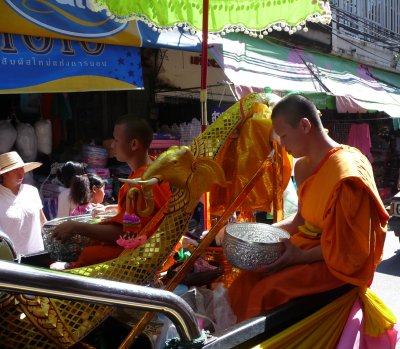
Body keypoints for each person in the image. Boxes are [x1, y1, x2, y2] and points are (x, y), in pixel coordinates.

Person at [228, 94, 389, 323]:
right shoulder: (303, 167)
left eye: (284, 136)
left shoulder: (348, 171)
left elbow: (350, 247)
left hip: (334, 263)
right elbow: (300, 222)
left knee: (266, 291)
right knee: (245, 280)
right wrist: (259, 236)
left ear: (305, 125)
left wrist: (299, 257)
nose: (282, 144)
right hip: (305, 248)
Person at [52, 116, 171, 268]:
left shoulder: (140, 183)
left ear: (134, 144)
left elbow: (122, 234)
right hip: (156, 249)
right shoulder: (155, 169)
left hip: (143, 255)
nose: (111, 145)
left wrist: (75, 226)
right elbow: (146, 213)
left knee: (89, 254)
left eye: (116, 140)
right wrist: (115, 208)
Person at [0, 151, 47, 256]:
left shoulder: (31, 191)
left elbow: (42, 221)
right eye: (15, 170)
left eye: (21, 168)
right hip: (10, 261)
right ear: (4, 174)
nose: (20, 173)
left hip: (37, 255)